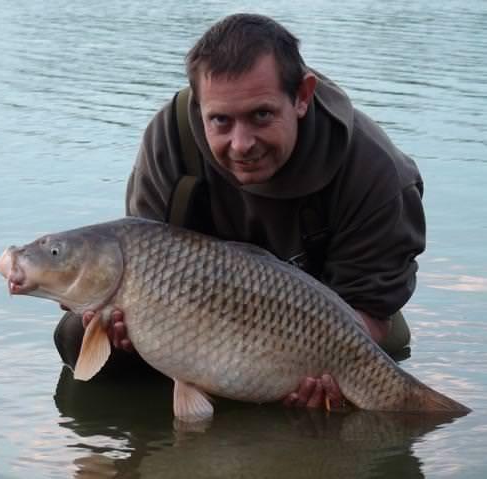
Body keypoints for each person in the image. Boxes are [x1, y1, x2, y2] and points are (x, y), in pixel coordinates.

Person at [54, 13, 426, 409]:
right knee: (77, 335)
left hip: (323, 315)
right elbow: (143, 251)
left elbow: (369, 310)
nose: (241, 143)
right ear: (200, 107)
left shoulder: (377, 173)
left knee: (384, 356)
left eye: (261, 115)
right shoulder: (170, 137)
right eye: (221, 121)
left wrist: (325, 366)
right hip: (195, 309)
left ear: (301, 96)